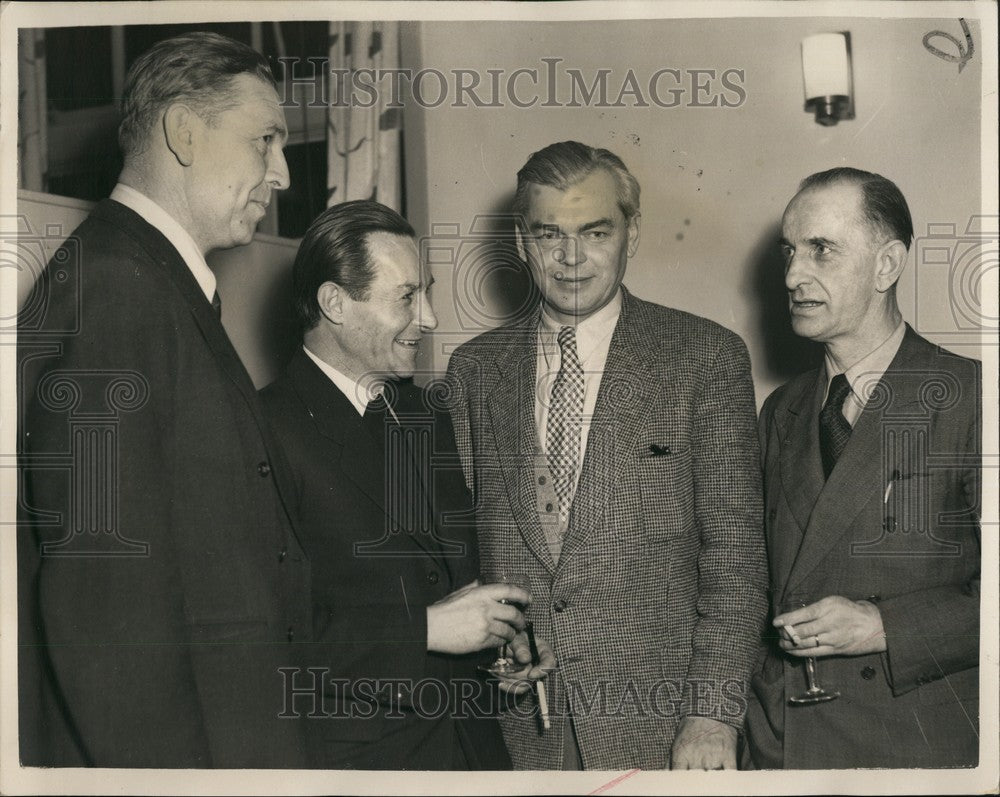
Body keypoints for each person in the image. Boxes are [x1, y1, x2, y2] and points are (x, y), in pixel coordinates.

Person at [18, 32, 310, 767]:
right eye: (265, 140)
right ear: (183, 130)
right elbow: (105, 602)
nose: (280, 172)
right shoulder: (118, 290)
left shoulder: (144, 280)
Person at [446, 141, 768, 770]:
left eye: (595, 232)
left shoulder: (703, 357)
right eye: (549, 235)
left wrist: (712, 714)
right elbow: (461, 550)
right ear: (521, 242)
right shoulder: (473, 371)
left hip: (665, 726)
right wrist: (497, 643)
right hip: (517, 730)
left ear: (631, 234)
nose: (571, 259)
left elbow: (736, 554)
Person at [259, 199, 553, 770]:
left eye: (429, 292)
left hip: (470, 753)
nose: (432, 318)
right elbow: (267, 636)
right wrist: (424, 630)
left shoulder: (424, 413)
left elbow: (451, 575)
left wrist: (500, 640)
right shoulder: (260, 431)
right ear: (334, 303)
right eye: (407, 298)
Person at [744, 168, 981, 769]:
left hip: (914, 749)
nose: (794, 275)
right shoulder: (782, 410)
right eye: (790, 252)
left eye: (822, 250)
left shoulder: (974, 397)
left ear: (887, 265)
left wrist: (885, 626)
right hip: (783, 747)